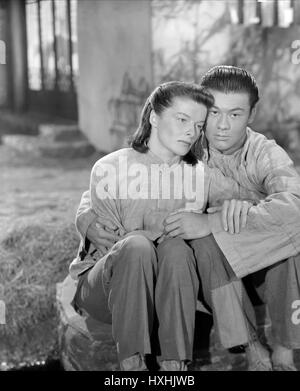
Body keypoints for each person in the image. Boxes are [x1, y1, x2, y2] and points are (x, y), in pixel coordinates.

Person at [69, 81, 261, 371]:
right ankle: (133, 366)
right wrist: (85, 216)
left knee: (177, 250)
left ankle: (176, 366)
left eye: (198, 125)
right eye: (182, 120)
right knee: (138, 247)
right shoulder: (110, 168)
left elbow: (257, 202)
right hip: (109, 290)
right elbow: (116, 246)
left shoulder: (201, 173)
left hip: (174, 289)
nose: (191, 132)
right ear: (153, 117)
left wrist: (225, 213)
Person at [161, 66, 300, 371]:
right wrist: (88, 215)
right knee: (204, 243)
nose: (222, 126)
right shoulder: (185, 147)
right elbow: (130, 172)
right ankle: (251, 347)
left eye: (235, 115)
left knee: (288, 240)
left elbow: (295, 205)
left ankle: (284, 349)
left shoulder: (264, 153)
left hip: (265, 272)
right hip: (215, 277)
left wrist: (220, 218)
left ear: (251, 115)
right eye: (214, 113)